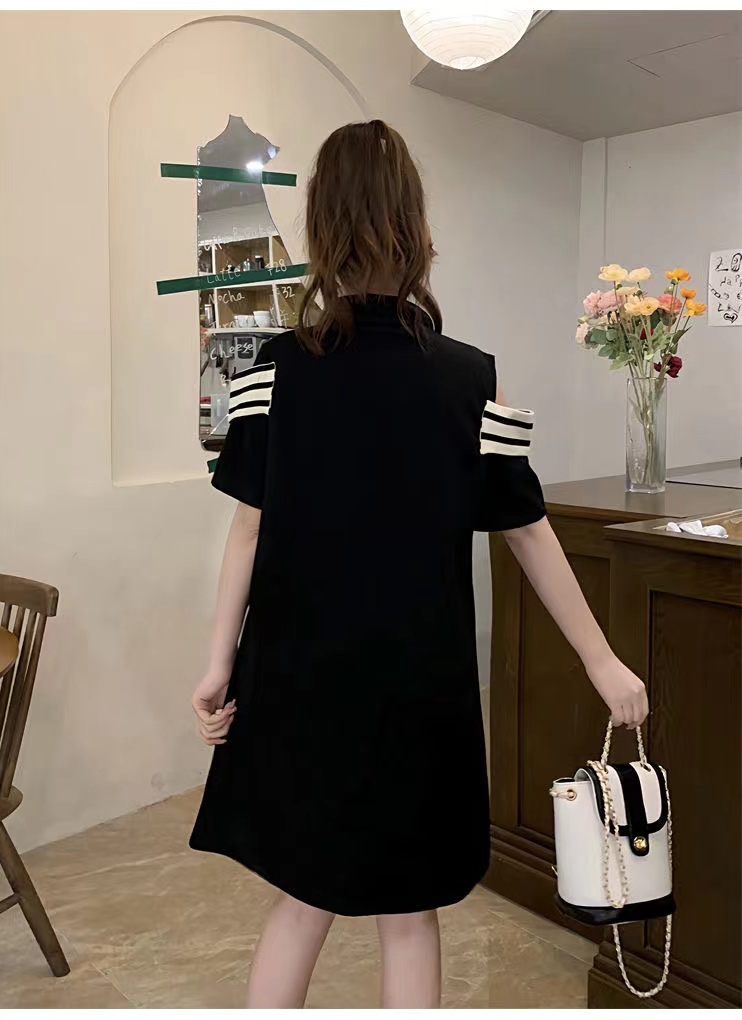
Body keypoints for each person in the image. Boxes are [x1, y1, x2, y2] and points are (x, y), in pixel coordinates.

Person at [188, 120, 648, 1009]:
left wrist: (216, 665)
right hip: (419, 686)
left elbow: (247, 531)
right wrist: (601, 660)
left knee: (302, 901)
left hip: (299, 678)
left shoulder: (271, 373)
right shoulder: (473, 379)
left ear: (322, 225)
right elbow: (528, 531)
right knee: (410, 913)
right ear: (414, 226)